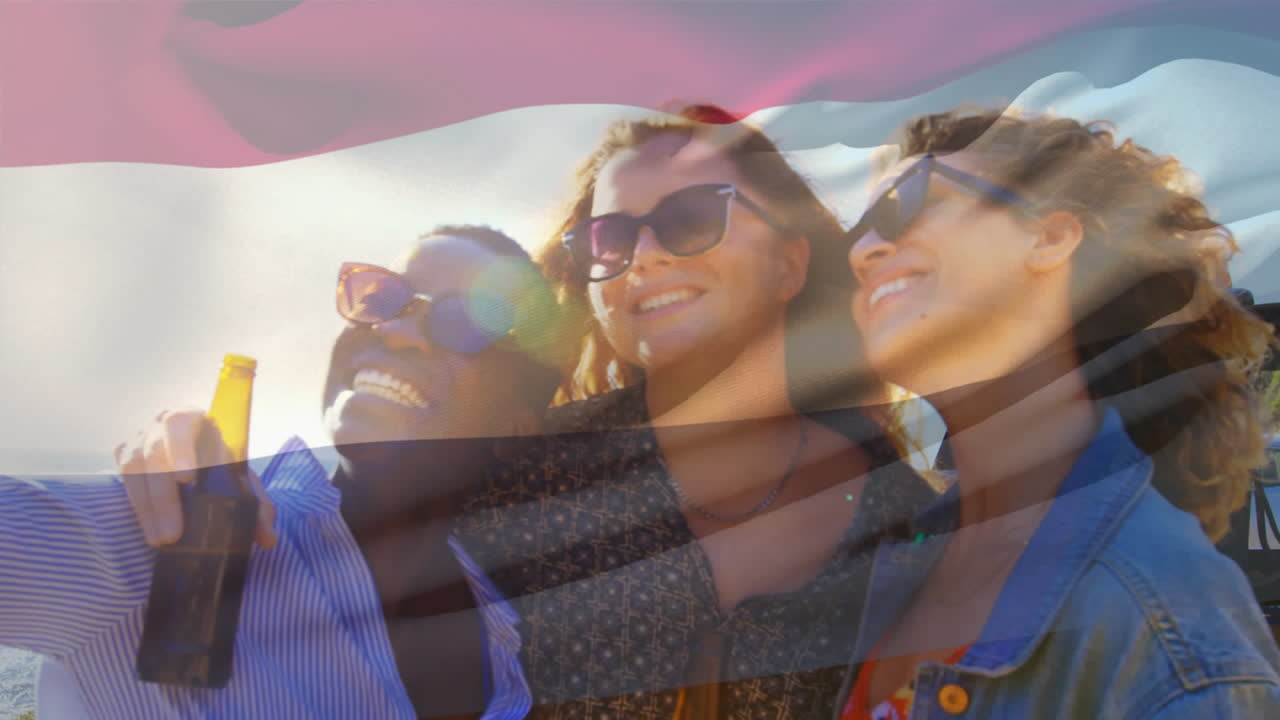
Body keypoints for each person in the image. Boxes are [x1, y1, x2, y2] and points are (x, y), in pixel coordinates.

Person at [455, 105, 936, 718]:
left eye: (691, 217)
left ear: (789, 263)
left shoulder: (912, 526)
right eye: (612, 238)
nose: (646, 257)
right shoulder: (516, 485)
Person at [3, 225, 562, 719]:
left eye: (462, 320)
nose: (396, 330)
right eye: (380, 296)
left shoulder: (502, 623)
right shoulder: (179, 532)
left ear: (516, 428)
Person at [833, 108, 1280, 718]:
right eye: (857, 229)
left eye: (906, 201)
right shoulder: (896, 562)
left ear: (1049, 237)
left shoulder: (1163, 616)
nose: (863, 251)